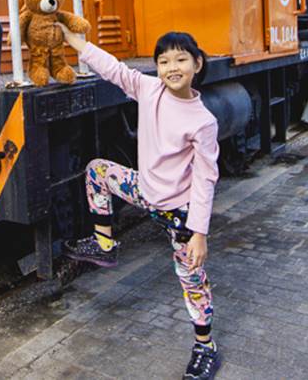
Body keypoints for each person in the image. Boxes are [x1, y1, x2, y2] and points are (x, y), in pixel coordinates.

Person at [56, 24, 222, 380]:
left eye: (181, 59)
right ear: (157, 67)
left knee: (192, 281)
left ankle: (205, 347)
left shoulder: (203, 122)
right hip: (145, 191)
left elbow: (206, 178)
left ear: (197, 63)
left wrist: (199, 233)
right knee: (98, 171)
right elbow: (114, 69)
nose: (172, 67)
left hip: (179, 212)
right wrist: (76, 42)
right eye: (163, 61)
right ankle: (104, 244)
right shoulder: (150, 90)